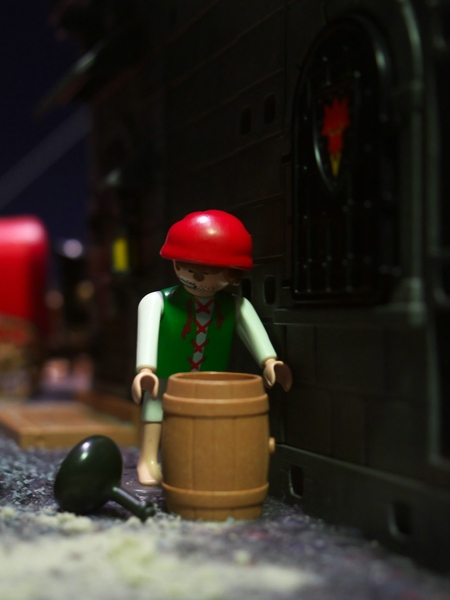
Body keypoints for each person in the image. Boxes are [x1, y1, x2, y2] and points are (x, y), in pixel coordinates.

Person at [131, 210, 292, 485]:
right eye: (188, 268)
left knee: (208, 419)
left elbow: (253, 334)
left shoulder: (236, 305)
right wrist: (145, 370)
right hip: (167, 374)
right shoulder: (156, 301)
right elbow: (147, 337)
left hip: (211, 380)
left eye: (207, 273)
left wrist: (270, 362)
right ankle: (148, 460)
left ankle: (203, 461)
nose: (196, 277)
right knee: (155, 407)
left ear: (232, 275)